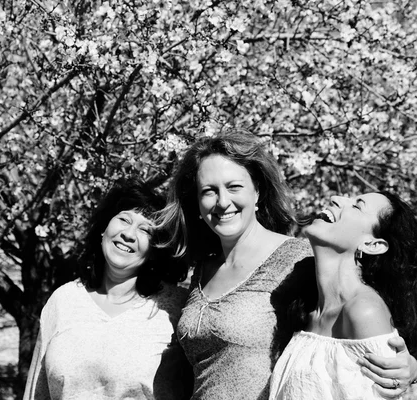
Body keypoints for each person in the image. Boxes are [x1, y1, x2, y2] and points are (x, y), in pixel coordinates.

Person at [158, 129, 417, 400]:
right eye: (209, 191)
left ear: (257, 191)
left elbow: (381, 305)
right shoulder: (201, 269)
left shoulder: (299, 260)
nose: (223, 202)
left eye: (234, 187)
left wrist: (411, 366)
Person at [23, 177, 191, 400]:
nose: (129, 234)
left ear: (155, 250)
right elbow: (37, 391)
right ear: (104, 228)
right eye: (124, 220)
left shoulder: (176, 309)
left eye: (145, 230)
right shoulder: (64, 300)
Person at [269, 192, 417, 399]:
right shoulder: (307, 311)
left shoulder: (364, 311)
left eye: (357, 206)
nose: (336, 199)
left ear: (372, 245)